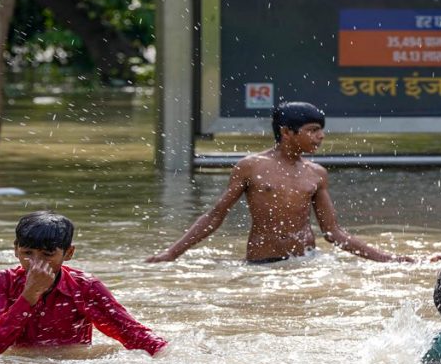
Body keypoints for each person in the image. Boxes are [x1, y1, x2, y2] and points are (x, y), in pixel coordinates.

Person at [147, 101, 411, 264]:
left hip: (307, 262)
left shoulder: (316, 173)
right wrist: (172, 253)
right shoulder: (251, 166)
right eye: (312, 130)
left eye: (321, 130)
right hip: (263, 264)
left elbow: (333, 233)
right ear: (286, 132)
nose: (320, 137)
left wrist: (389, 260)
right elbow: (215, 217)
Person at [0, 211, 168, 356]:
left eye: (47, 255)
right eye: (27, 253)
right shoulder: (3, 281)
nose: (36, 263)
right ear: (16, 249)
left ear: (69, 253)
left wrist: (167, 354)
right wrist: (29, 295)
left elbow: (130, 332)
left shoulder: (85, 286)